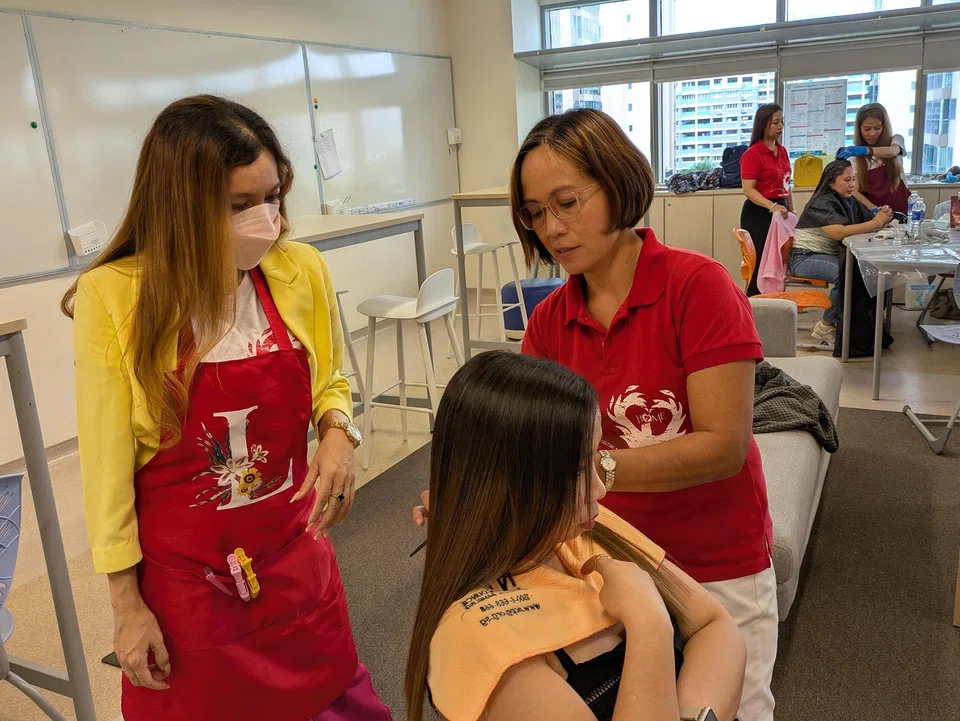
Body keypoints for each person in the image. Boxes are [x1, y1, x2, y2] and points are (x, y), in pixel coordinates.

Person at [62, 96, 390, 721]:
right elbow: (107, 473)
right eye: (239, 206)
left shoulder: (298, 269)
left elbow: (331, 380)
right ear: (181, 209)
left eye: (272, 197)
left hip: (294, 559)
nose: (265, 221)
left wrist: (338, 431)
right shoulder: (116, 297)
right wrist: (126, 605)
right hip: (190, 587)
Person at [500, 108, 777, 721]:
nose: (553, 227)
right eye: (536, 213)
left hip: (715, 562)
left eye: (568, 202)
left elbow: (721, 447)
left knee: (733, 709)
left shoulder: (697, 287)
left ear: (618, 181)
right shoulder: (549, 322)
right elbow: (528, 443)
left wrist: (589, 471)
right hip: (611, 565)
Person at [406, 351, 746, 721]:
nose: (600, 490)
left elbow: (716, 625)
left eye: (595, 457)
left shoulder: (576, 526)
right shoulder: (475, 637)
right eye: (577, 471)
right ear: (508, 488)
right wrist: (649, 626)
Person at [789, 159, 893, 346]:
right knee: (848, 275)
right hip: (804, 257)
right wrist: (878, 222)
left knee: (868, 272)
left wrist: (882, 214)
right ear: (830, 181)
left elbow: (868, 218)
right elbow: (838, 232)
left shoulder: (847, 199)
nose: (852, 184)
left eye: (853, 179)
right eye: (847, 180)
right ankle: (826, 325)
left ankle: (867, 324)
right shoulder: (823, 201)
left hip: (826, 255)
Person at [739, 103, 795, 296]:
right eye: (775, 123)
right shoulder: (753, 154)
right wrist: (772, 206)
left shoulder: (783, 151)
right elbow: (748, 189)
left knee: (781, 261)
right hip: (759, 213)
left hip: (781, 209)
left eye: (782, 122)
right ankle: (755, 305)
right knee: (762, 261)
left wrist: (791, 209)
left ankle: (775, 302)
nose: (780, 127)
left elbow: (788, 184)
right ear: (763, 125)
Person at [838, 103, 911, 214]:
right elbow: (855, 192)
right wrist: (877, 210)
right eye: (867, 129)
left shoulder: (896, 140)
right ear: (860, 129)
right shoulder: (854, 158)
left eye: (877, 128)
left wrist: (866, 150)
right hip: (875, 216)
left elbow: (892, 152)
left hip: (902, 211)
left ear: (884, 126)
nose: (872, 133)